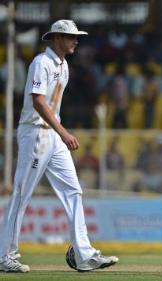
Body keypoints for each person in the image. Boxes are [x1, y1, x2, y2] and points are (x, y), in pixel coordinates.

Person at [0, 19, 118, 273]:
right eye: (70, 36)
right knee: (22, 194)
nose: (76, 40)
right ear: (56, 38)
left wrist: (59, 133)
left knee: (73, 190)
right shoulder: (41, 63)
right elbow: (39, 102)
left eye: (76, 37)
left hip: (52, 136)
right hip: (35, 134)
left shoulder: (63, 65)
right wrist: (63, 132)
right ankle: (4, 256)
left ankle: (84, 254)